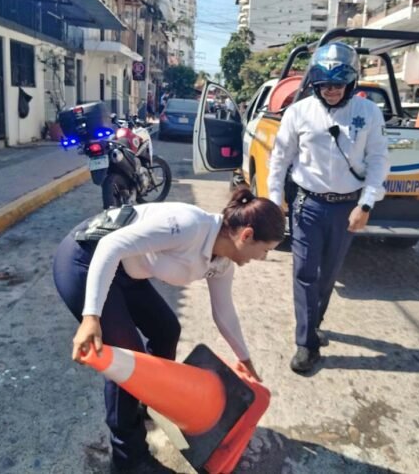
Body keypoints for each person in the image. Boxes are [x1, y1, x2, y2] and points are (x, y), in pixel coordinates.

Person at [53, 188, 285, 472]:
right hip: (85, 258)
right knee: (127, 359)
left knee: (166, 330)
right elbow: (110, 246)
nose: (262, 258)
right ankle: (128, 459)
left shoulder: (222, 262)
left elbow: (224, 312)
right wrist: (92, 317)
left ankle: (143, 402)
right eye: (265, 250)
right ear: (247, 235)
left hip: (125, 271)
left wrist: (245, 360)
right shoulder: (187, 225)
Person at [267, 43, 390, 374]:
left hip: (347, 208)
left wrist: (366, 204)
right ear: (315, 84)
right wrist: (275, 196)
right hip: (307, 205)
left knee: (329, 273)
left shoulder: (369, 114)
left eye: (338, 84)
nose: (332, 91)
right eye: (325, 85)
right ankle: (305, 342)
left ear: (351, 83)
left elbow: (379, 160)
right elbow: (280, 158)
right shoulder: (299, 112)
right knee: (305, 273)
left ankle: (315, 322)